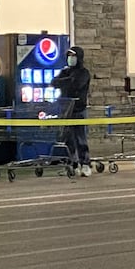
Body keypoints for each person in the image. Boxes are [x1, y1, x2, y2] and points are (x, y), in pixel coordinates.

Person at [49, 45, 93, 176]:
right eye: (69, 56)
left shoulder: (84, 73)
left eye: (73, 56)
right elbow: (53, 82)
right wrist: (67, 80)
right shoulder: (66, 71)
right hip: (65, 110)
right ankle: (72, 164)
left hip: (78, 110)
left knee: (80, 139)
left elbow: (77, 84)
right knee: (68, 139)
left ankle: (85, 164)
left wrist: (65, 82)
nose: (70, 58)